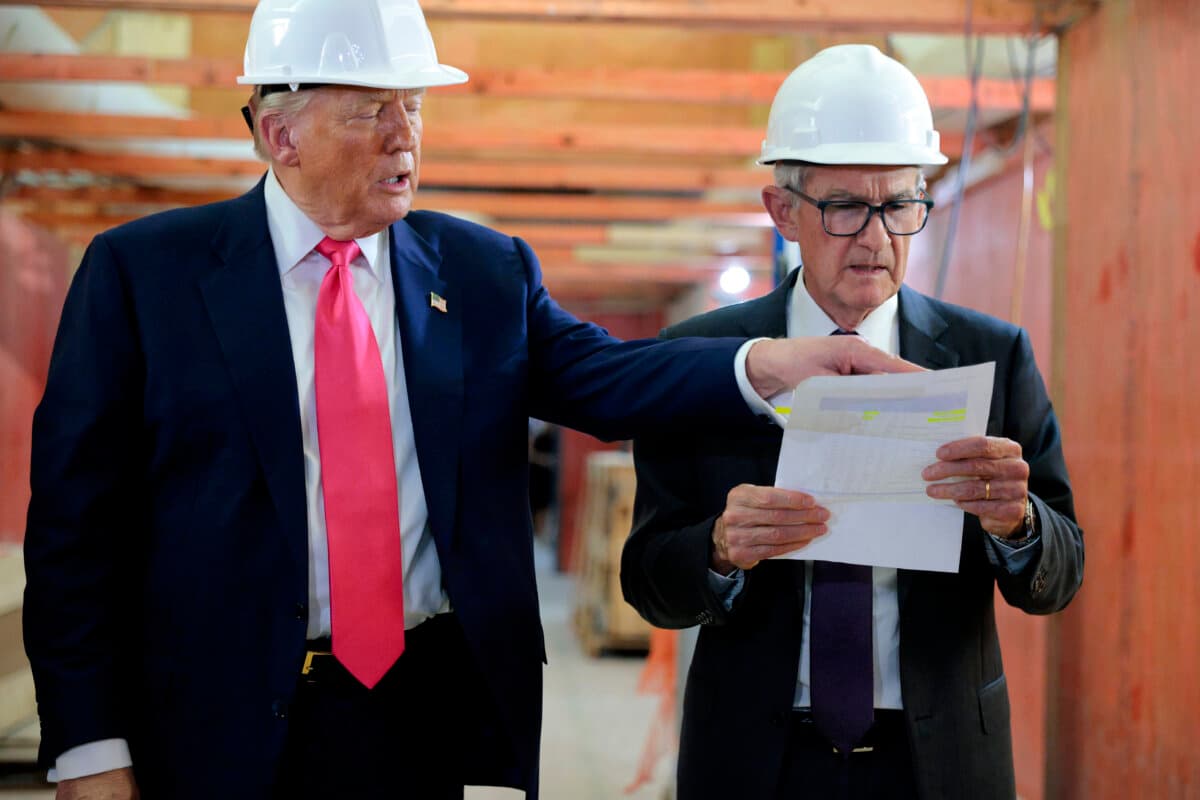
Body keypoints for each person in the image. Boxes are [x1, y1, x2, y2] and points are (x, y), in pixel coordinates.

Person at [21, 6, 920, 799]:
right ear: (279, 134)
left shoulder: (481, 272)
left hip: (413, 712)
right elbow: (74, 535)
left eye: (416, 106)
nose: (406, 135)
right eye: (374, 110)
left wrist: (770, 364)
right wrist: (87, 747)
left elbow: (610, 380)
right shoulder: (146, 276)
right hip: (205, 721)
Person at [621, 44, 1085, 800]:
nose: (876, 238)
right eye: (844, 207)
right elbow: (646, 580)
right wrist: (718, 548)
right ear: (784, 212)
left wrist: (1017, 524)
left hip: (938, 762)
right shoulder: (701, 358)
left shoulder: (990, 354)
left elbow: (1060, 575)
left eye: (900, 204)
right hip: (755, 758)